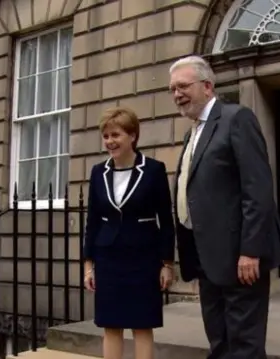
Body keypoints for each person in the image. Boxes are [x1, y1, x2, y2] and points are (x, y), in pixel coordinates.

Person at [170, 55, 280, 359]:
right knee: (219, 341)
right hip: (207, 257)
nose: (176, 94)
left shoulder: (237, 118)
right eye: (172, 89)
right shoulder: (192, 132)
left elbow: (257, 190)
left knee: (244, 345)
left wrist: (251, 250)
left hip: (240, 257)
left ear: (207, 86)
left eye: (183, 86)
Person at [82, 106, 175, 359]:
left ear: (133, 136)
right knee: (111, 325)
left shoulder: (154, 170)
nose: (110, 142)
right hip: (108, 259)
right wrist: (88, 265)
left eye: (116, 135)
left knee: (142, 325)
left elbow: (165, 221)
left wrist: (167, 263)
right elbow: (92, 221)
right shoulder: (98, 172)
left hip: (143, 258)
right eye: (106, 136)